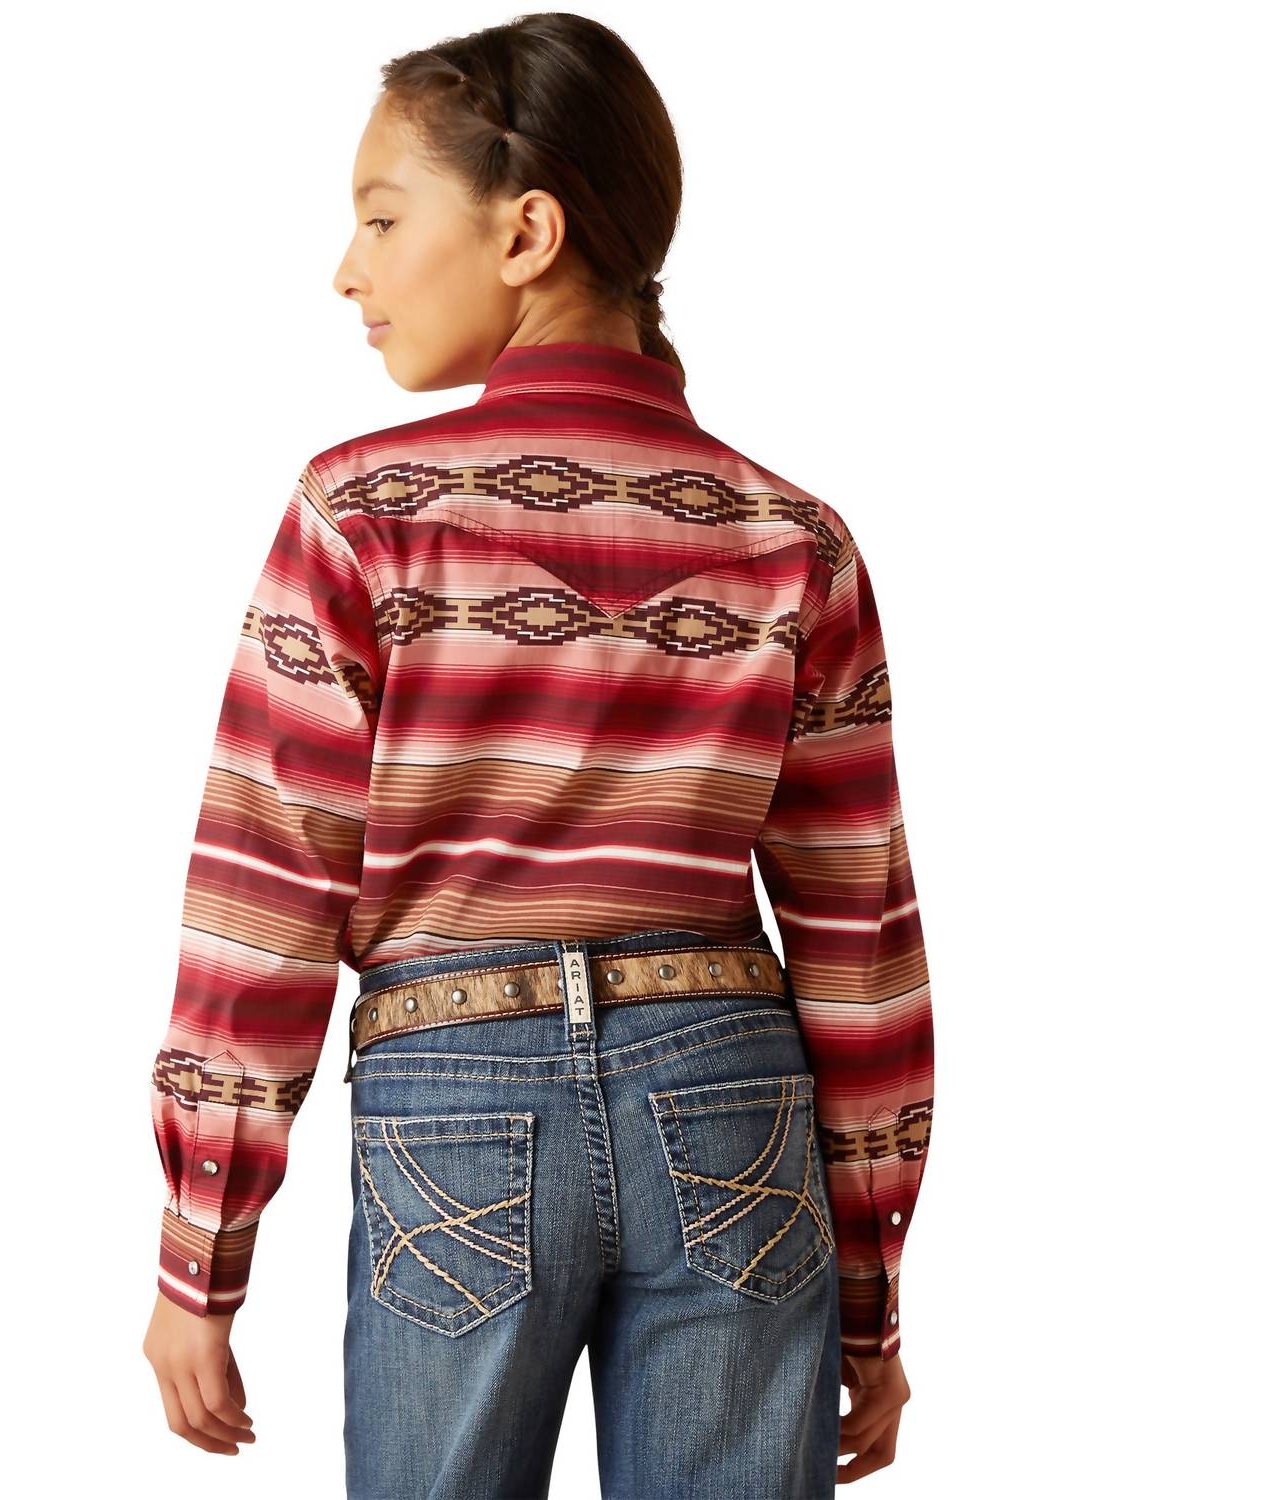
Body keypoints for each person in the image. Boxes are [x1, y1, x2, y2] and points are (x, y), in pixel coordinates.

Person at [142, 14, 933, 1497]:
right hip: (730, 1094)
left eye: (383, 217)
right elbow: (860, 945)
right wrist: (871, 1289)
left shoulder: (362, 519)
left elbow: (268, 899)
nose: (347, 269)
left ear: (526, 233)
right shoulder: (792, 539)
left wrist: (203, 1249)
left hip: (456, 1093)